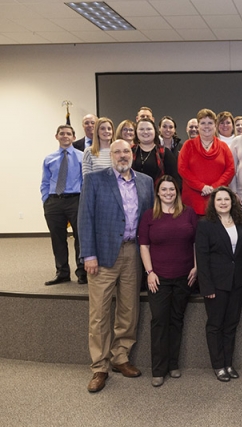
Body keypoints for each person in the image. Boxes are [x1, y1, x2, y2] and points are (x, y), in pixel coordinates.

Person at [78, 139, 154, 393]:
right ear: (111, 155)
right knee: (99, 313)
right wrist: (88, 254)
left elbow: (150, 219)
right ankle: (99, 366)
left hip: (133, 251)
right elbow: (85, 217)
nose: (122, 156)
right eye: (117, 152)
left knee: (129, 309)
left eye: (126, 151)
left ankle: (121, 357)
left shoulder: (145, 181)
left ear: (131, 154)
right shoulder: (95, 180)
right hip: (102, 254)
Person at [139, 175, 198, 387]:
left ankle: (173, 364)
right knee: (159, 321)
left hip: (184, 277)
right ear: (158, 193)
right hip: (158, 278)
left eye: (171, 189)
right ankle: (158, 369)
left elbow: (195, 243)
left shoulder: (189, 213)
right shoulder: (148, 216)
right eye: (164, 190)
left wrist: (196, 266)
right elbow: (144, 246)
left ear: (177, 191)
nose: (168, 193)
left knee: (176, 320)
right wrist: (150, 272)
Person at [196, 186, 242, 382]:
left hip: (237, 282)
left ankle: (229, 363)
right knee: (215, 325)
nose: (223, 203)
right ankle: (218, 365)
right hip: (215, 284)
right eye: (219, 199)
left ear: (233, 202)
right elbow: (202, 258)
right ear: (213, 203)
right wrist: (206, 286)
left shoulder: (241, 221)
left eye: (226, 199)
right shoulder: (205, 225)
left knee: (231, 325)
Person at [40, 125, 86, 285]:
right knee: (57, 238)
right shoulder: (49, 158)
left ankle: (82, 272)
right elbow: (45, 181)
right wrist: (46, 199)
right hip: (54, 202)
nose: (65, 136)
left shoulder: (82, 156)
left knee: (80, 237)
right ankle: (62, 272)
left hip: (76, 200)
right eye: (62, 133)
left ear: (74, 137)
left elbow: (85, 180)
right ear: (56, 136)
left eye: (68, 134)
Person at [178, 108, 235, 216]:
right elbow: (182, 169)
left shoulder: (223, 147)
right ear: (198, 126)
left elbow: (230, 169)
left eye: (210, 123)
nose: (206, 126)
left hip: (217, 200)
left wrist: (214, 187)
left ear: (215, 126)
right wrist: (201, 187)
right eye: (203, 123)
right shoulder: (188, 145)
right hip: (192, 200)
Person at [131, 118, 180, 186]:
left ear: (155, 131)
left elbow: (175, 179)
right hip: (133, 194)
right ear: (136, 132)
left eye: (149, 129)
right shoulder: (129, 151)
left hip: (157, 194)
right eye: (141, 129)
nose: (145, 132)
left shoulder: (164, 152)